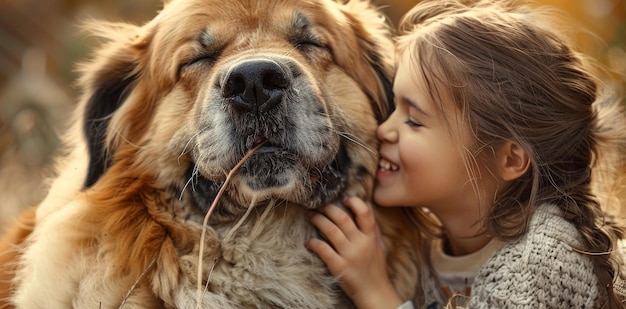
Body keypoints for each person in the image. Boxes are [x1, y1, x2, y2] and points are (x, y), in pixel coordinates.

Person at [306, 0, 626, 308]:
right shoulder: (432, 242)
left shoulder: (540, 264)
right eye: (394, 105)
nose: (384, 129)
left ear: (510, 159)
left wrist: (374, 290)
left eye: (413, 120)